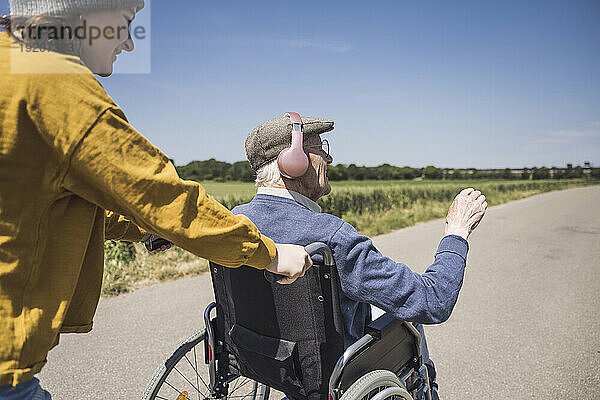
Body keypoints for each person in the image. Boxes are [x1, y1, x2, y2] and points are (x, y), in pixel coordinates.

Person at [0, 2, 312, 398]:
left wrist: (145, 229)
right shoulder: (54, 83)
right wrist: (269, 253)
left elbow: (65, 202)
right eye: (126, 22)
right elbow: (165, 198)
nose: (130, 43)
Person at [233, 113, 488, 399]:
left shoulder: (232, 224)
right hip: (333, 372)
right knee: (409, 317)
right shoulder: (330, 237)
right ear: (293, 162)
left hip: (264, 357)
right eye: (321, 150)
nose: (329, 160)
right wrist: (457, 232)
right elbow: (434, 301)